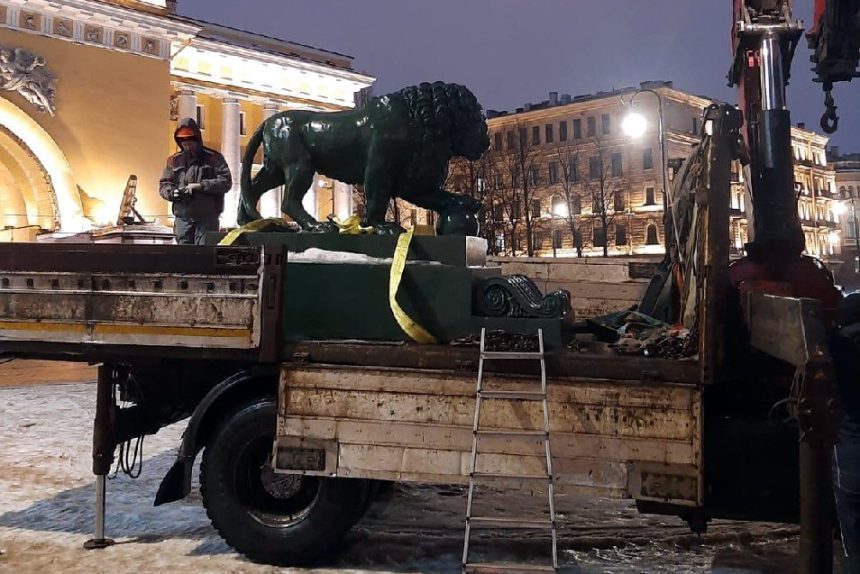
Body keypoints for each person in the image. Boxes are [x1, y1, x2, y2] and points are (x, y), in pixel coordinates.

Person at [159, 118, 232, 245]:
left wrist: (200, 186)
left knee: (204, 254)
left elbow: (225, 182)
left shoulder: (214, 158)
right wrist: (173, 193)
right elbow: (165, 184)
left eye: (189, 141)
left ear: (197, 139)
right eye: (183, 142)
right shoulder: (173, 161)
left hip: (207, 218)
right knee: (183, 256)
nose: (186, 145)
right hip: (183, 218)